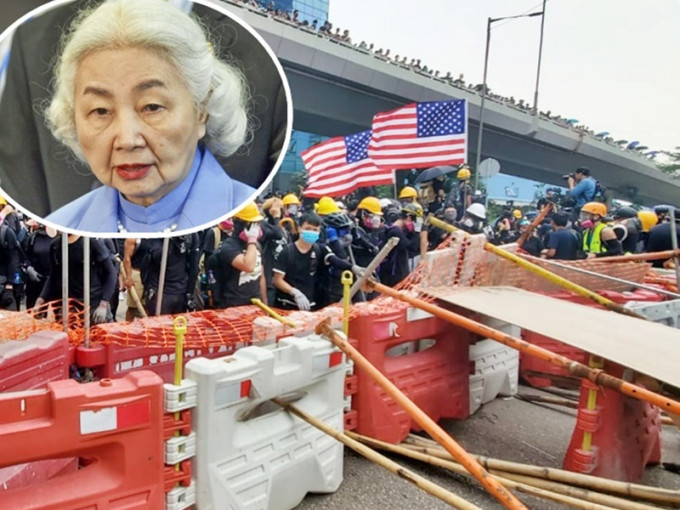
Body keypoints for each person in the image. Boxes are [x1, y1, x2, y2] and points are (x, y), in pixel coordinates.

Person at [0, 0, 288, 225]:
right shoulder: (31, 38)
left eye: (152, 107)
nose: (127, 139)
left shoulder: (266, 58)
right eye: (100, 111)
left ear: (202, 110)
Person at [207, 202, 266, 307]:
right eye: (252, 224)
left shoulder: (256, 245)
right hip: (233, 306)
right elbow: (248, 266)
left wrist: (265, 303)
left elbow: (260, 276)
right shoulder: (229, 246)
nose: (256, 228)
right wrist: (251, 240)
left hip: (255, 304)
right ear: (239, 223)